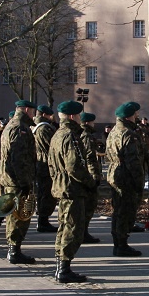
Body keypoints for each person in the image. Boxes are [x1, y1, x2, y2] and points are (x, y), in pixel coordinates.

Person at [48, 100, 98, 283]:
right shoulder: (70, 136)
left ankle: (61, 265)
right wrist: (89, 181)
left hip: (62, 187)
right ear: (72, 116)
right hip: (72, 188)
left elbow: (51, 164)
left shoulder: (57, 134)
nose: (79, 119)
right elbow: (74, 166)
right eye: (77, 116)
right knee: (72, 228)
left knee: (64, 226)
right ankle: (64, 268)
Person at [105, 102, 149, 257]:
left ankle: (118, 242)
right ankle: (121, 245)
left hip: (115, 174)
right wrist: (139, 181)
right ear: (130, 116)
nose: (137, 116)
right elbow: (133, 161)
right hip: (126, 176)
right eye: (135, 114)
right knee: (125, 211)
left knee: (118, 210)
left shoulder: (114, 131)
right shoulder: (128, 134)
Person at [0, 100, 38, 264]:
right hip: (16, 181)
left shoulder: (12, 125)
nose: (34, 115)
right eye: (33, 111)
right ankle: (14, 250)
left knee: (15, 214)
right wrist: (24, 182)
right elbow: (18, 158)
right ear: (27, 110)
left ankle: (14, 248)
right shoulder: (19, 128)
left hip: (11, 178)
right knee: (17, 215)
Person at [32, 104, 58, 233]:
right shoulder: (44, 129)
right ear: (44, 115)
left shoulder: (36, 127)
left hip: (41, 163)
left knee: (43, 193)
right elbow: (52, 147)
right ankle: (43, 221)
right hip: (46, 164)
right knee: (46, 194)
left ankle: (43, 220)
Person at [79, 111, 102, 244]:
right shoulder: (87, 136)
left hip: (84, 174)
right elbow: (89, 158)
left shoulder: (81, 134)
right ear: (88, 122)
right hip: (88, 175)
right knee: (89, 204)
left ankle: (83, 231)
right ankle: (83, 232)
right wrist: (95, 176)